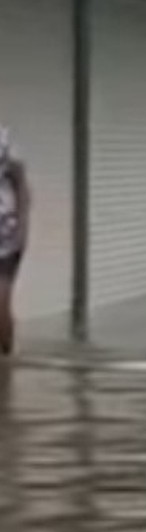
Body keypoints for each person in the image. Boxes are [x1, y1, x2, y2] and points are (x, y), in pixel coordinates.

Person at [0, 126, 31, 358]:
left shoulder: (4, 141)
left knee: (1, 300)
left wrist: (22, 225)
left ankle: (6, 360)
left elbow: (21, 184)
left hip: (6, 236)